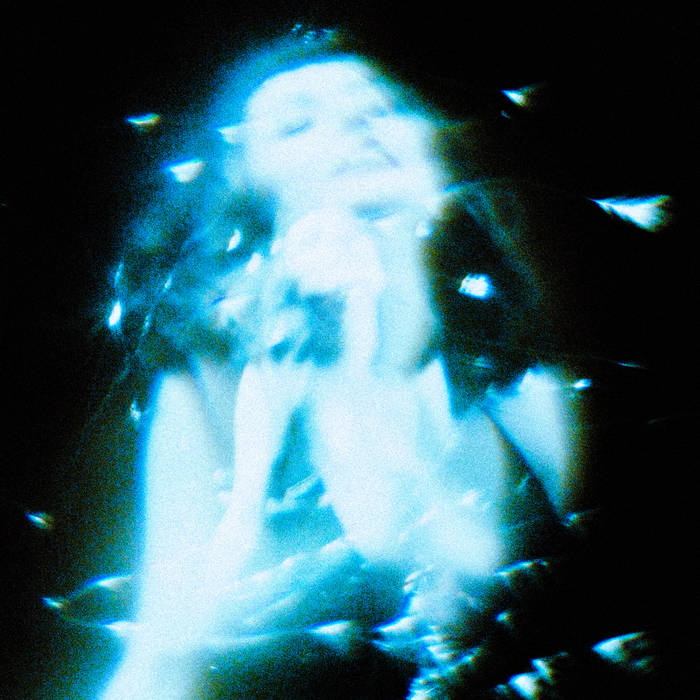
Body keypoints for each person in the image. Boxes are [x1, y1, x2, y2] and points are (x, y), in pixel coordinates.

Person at [99, 27, 587, 700]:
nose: (358, 126)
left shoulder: (526, 353)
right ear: (244, 180)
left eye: (380, 107)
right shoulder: (225, 386)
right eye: (297, 124)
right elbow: (172, 641)